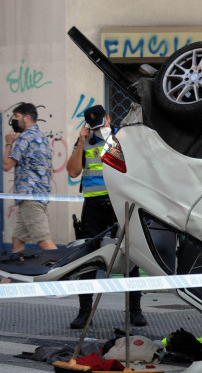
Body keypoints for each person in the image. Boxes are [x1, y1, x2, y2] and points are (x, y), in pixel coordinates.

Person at [65, 105, 146, 329]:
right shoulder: (85, 141)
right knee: (89, 259)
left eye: (101, 123)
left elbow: (133, 168)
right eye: (94, 126)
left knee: (129, 257)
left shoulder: (122, 137)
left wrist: (112, 138)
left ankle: (135, 312)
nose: (98, 128)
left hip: (119, 204)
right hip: (93, 207)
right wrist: (81, 142)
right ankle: (84, 313)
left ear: (108, 118)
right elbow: (72, 172)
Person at [3, 103, 57, 257]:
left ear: (27, 117)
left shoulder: (25, 138)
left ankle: (65, 275)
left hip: (30, 197)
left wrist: (8, 143)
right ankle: (10, 279)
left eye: (16, 116)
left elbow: (7, 165)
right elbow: (50, 172)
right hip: (35, 197)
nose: (13, 120)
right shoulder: (41, 137)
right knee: (18, 239)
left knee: (43, 241)